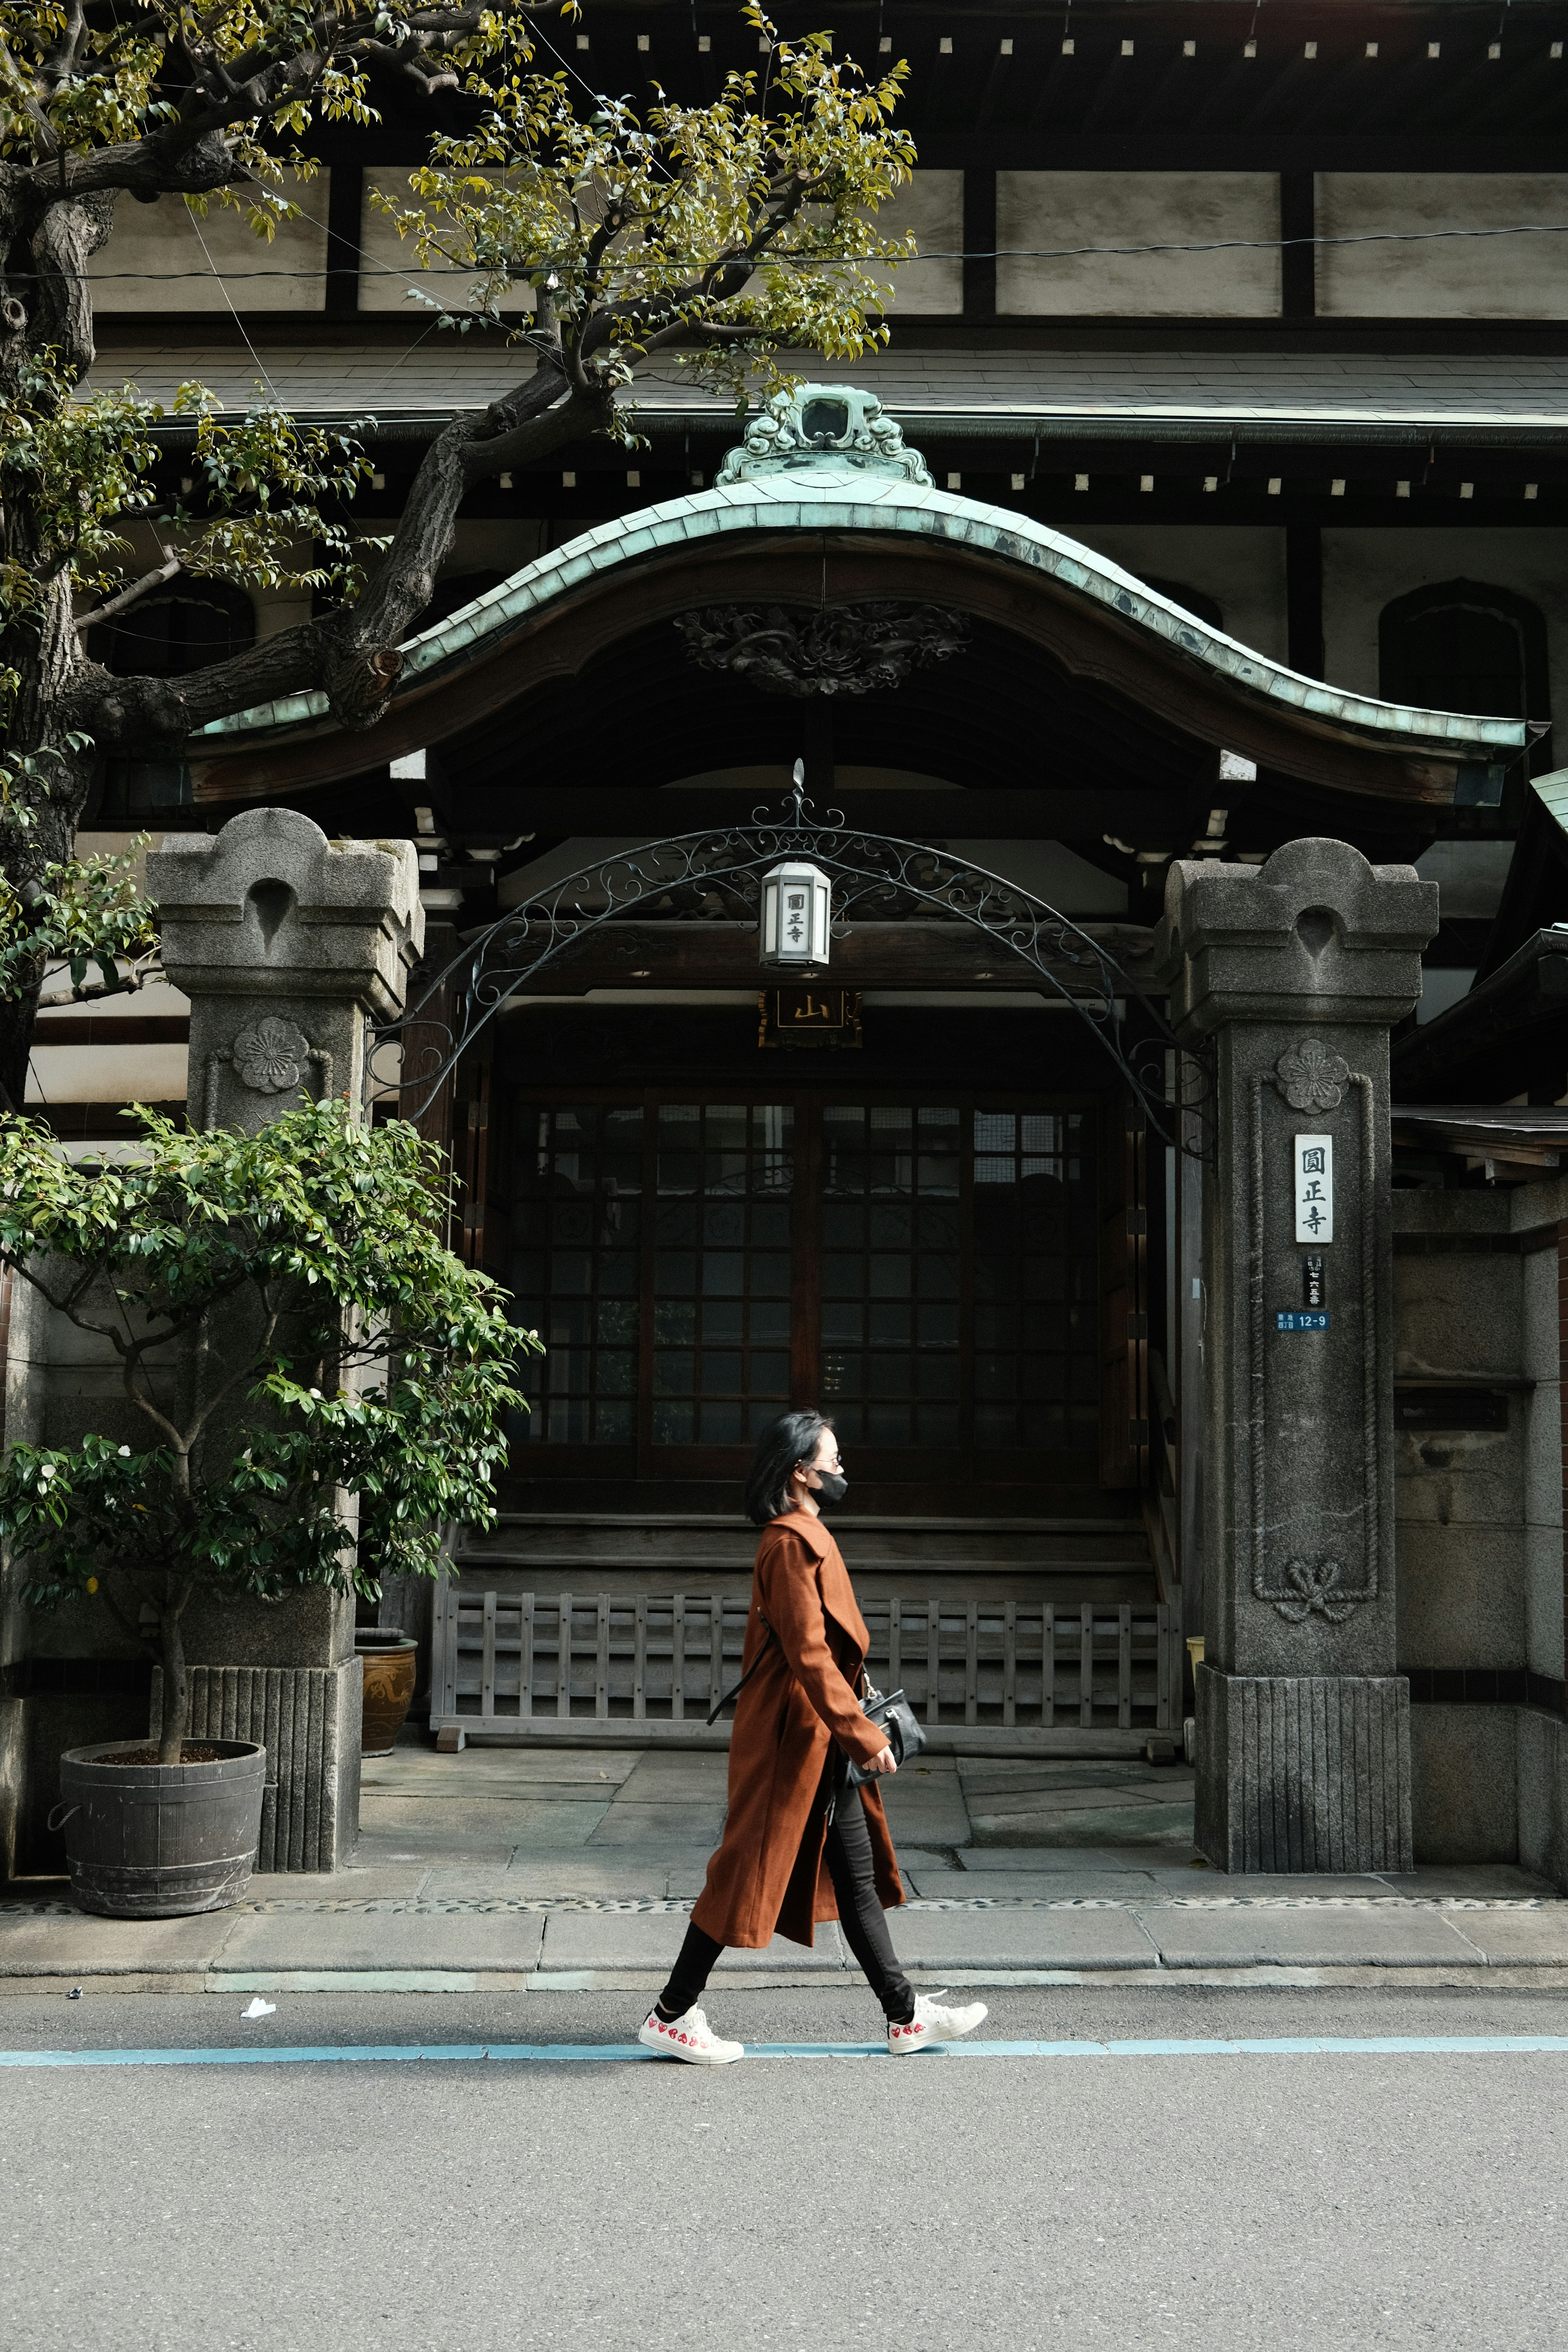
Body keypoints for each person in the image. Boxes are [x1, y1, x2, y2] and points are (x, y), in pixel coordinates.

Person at [638, 1409, 987, 2066]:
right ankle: (670, 2015)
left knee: (854, 1876)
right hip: (792, 1739)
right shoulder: (791, 1544)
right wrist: (860, 1732)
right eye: (833, 1460)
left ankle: (905, 2015)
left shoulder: (803, 1536)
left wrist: (847, 1732)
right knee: (741, 1873)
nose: (842, 1469)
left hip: (813, 1736)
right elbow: (807, 1653)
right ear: (801, 1472)